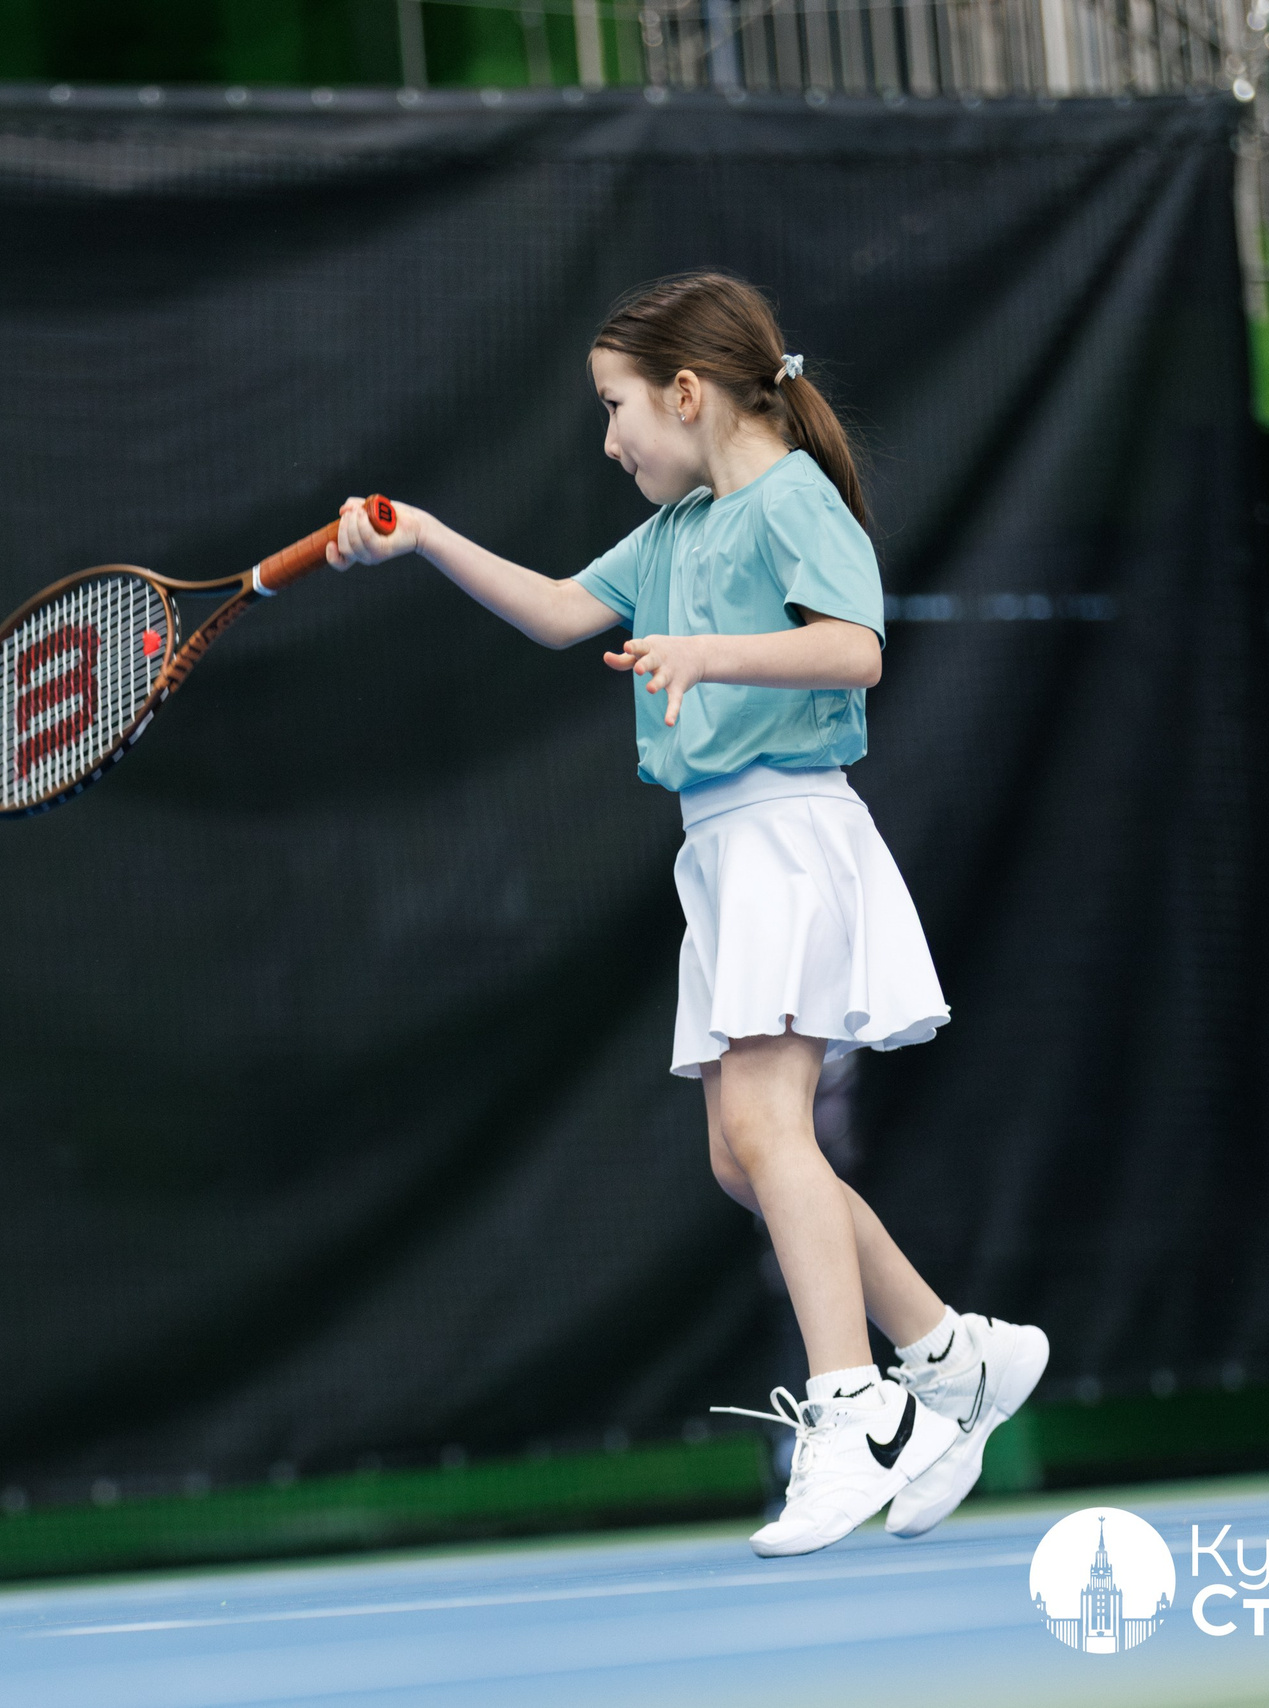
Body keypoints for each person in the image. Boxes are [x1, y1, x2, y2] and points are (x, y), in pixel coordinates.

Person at [328, 271, 1047, 1556]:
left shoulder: (788, 499)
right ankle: (954, 1354)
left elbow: (856, 647)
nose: (607, 440)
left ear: (686, 390)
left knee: (772, 1134)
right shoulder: (675, 534)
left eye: (616, 408)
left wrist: (710, 654)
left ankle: (850, 1413)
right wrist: (426, 535)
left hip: (789, 833)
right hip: (718, 850)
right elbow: (556, 613)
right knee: (745, 1157)